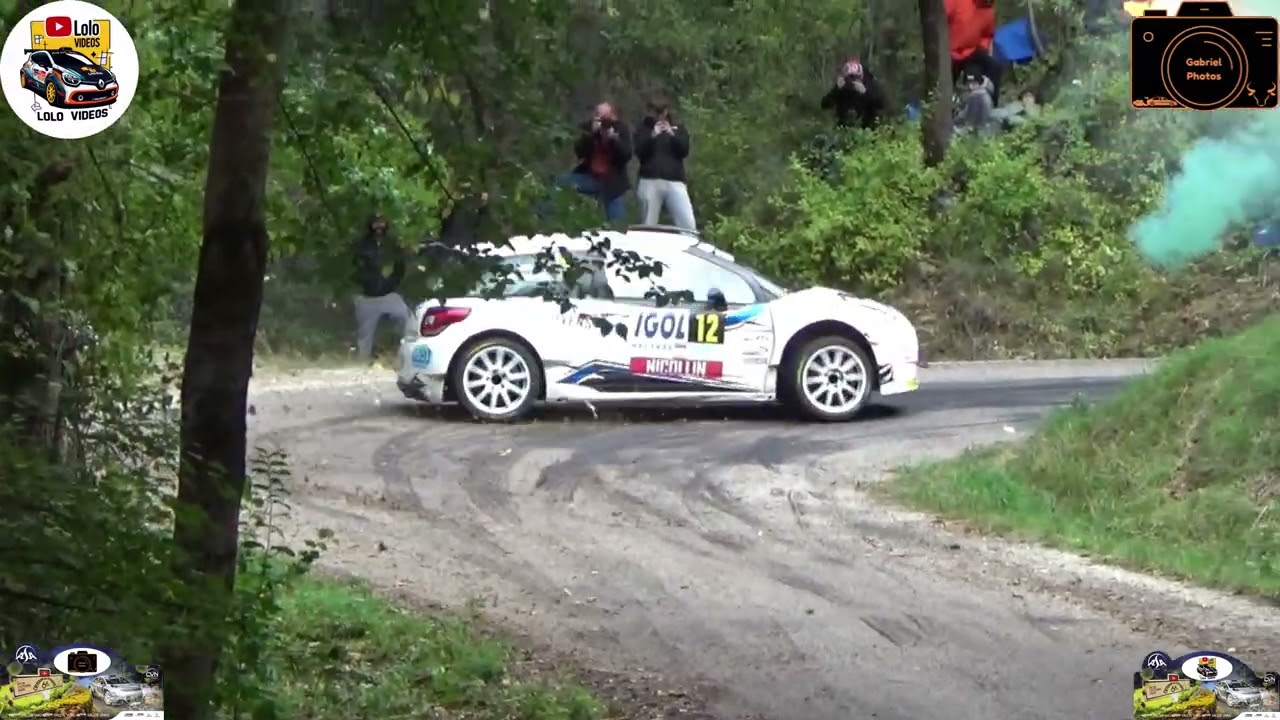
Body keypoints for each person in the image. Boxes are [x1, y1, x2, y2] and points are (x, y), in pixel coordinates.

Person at [550, 102, 633, 222]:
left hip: (613, 182)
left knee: (618, 223)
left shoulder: (621, 128)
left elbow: (626, 155)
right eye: (598, 115)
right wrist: (592, 134)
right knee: (560, 182)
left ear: (613, 117)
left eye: (604, 117)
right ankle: (548, 219)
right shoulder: (587, 127)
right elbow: (579, 152)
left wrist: (614, 140)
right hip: (590, 177)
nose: (602, 121)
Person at [351, 214, 411, 362]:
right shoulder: (362, 244)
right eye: (376, 223)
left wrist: (392, 283)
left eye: (382, 222)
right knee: (364, 335)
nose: (379, 226)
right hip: (367, 296)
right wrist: (363, 281)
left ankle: (406, 356)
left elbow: (400, 266)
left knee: (407, 319)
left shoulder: (392, 244)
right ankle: (361, 363)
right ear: (370, 224)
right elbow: (354, 268)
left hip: (388, 295)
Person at [634, 95, 696, 230]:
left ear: (666, 112)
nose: (658, 116)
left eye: (660, 111)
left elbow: (684, 150)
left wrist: (672, 134)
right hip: (650, 180)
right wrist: (652, 136)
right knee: (647, 225)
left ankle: (688, 247)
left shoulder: (678, 128)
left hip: (675, 181)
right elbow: (639, 152)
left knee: (688, 224)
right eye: (655, 111)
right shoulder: (643, 128)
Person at [945, 0, 1003, 106]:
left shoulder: (988, 10)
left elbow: (987, 35)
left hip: (971, 51)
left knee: (995, 67)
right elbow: (940, 21)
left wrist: (983, 48)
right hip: (949, 51)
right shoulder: (957, 2)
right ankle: (939, 109)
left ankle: (992, 106)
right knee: (945, 82)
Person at [820, 58, 885, 129]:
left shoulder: (870, 85)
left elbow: (880, 105)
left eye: (855, 77)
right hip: (844, 127)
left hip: (866, 127)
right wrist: (837, 90)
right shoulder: (843, 87)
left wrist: (865, 93)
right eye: (850, 77)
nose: (852, 80)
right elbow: (825, 104)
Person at [955, 66, 996, 136]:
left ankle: (969, 129)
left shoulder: (976, 94)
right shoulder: (987, 87)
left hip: (978, 124)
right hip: (988, 120)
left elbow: (965, 113)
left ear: (977, 83)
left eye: (973, 83)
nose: (970, 86)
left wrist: (955, 119)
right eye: (969, 83)